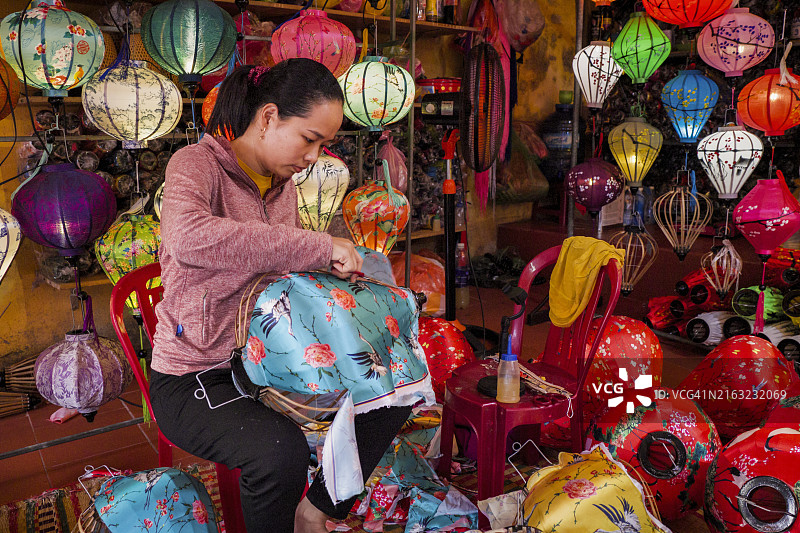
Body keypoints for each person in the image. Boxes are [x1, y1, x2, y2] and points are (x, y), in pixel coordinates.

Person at [150, 59, 413, 533]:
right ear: (268, 117)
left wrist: (340, 278)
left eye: (324, 144)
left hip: (269, 361)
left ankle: (315, 513)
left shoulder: (283, 187)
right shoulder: (195, 164)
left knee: (391, 391)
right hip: (197, 375)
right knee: (278, 453)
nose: (315, 156)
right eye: (309, 138)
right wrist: (316, 246)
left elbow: (279, 272)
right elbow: (189, 237)